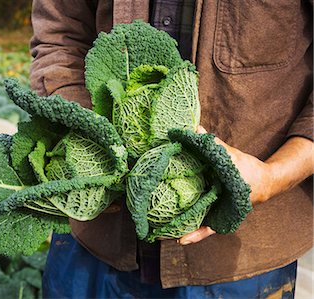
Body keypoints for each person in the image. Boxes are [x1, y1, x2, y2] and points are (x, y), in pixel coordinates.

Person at [28, 1, 313, 298]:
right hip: (96, 238)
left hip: (240, 260)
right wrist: (91, 145)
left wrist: (273, 175)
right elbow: (59, 34)